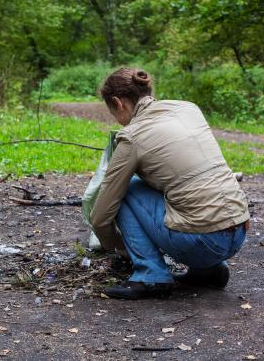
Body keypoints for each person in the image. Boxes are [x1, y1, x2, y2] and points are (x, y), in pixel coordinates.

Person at [90, 68, 249, 300]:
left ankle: (150, 274)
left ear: (118, 102)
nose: (116, 119)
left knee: (126, 189)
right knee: (184, 188)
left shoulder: (132, 136)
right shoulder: (188, 109)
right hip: (239, 231)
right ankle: (207, 271)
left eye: (112, 111)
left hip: (202, 243)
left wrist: (119, 247)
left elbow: (100, 216)